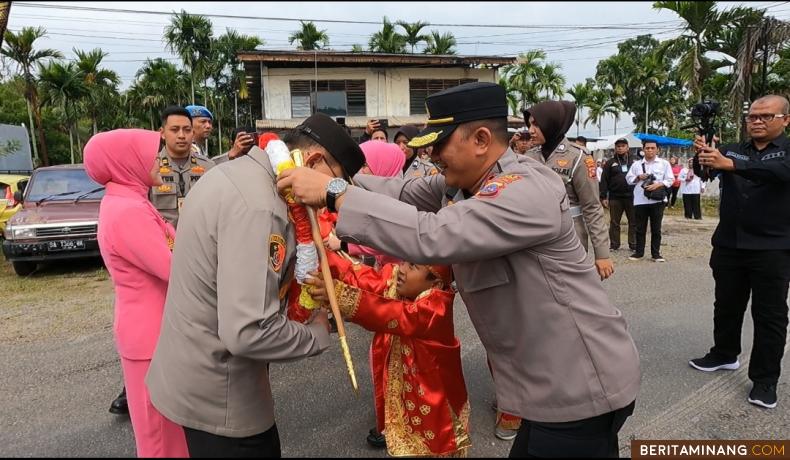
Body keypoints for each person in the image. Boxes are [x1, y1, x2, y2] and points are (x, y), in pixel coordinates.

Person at [278, 82, 640, 458]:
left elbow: (430, 236)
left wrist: (335, 191)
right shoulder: (465, 184)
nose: (432, 154)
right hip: (549, 390)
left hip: (581, 388)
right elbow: (398, 192)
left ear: (481, 139)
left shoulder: (525, 190)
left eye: (440, 144)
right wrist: (336, 171)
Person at [145, 112, 365, 458]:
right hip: (222, 394)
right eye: (331, 185)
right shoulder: (262, 208)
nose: (325, 201)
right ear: (314, 161)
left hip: (194, 371)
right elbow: (248, 330)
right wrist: (317, 332)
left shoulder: (234, 173)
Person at [293, 252, 471, 457]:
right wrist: (325, 257)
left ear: (436, 283)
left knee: (436, 442)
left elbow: (389, 313)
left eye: (412, 266)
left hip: (433, 393)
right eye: (403, 260)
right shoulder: (401, 281)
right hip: (409, 383)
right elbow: (368, 280)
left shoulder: (435, 308)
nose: (401, 269)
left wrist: (339, 294)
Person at [84, 129, 188, 458]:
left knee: (167, 430)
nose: (161, 160)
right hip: (149, 336)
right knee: (159, 437)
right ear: (127, 162)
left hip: (153, 331)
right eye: (151, 156)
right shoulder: (128, 211)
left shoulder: (130, 202)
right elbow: (175, 269)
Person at [689, 95, 790, 409]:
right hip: (730, 243)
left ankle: (764, 380)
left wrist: (728, 163)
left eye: (765, 116)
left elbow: (775, 173)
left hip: (773, 247)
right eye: (752, 117)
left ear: (785, 119)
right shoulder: (733, 148)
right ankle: (724, 353)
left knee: (770, 315)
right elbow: (706, 173)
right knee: (727, 304)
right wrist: (704, 156)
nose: (756, 121)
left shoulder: (787, 152)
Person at [523, 100, 614, 281]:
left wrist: (602, 253)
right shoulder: (528, 157)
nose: (530, 130)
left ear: (551, 123)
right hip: (535, 237)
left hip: (570, 236)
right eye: (529, 124)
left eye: (536, 124)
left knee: (569, 290)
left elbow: (592, 207)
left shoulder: (578, 157)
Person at [149, 106, 215, 228]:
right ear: (162, 133)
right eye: (174, 130)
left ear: (192, 133)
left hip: (198, 240)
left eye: (187, 130)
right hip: (164, 242)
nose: (181, 135)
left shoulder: (208, 167)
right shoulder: (150, 167)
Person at [625, 140, 674, 262]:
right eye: (647, 148)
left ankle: (656, 254)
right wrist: (638, 177)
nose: (650, 150)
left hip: (657, 200)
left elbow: (670, 179)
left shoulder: (664, 164)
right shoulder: (636, 165)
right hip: (640, 200)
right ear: (643, 149)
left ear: (658, 149)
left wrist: (658, 185)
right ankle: (639, 252)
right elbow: (628, 179)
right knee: (640, 228)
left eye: (653, 148)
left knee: (656, 228)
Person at [600, 138, 637, 252]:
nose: (620, 148)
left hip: (632, 196)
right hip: (615, 197)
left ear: (627, 147)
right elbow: (604, 180)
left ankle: (634, 244)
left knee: (634, 221)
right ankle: (614, 244)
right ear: (615, 148)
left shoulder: (635, 161)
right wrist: (603, 196)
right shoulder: (610, 162)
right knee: (614, 222)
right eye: (618, 146)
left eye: (622, 146)